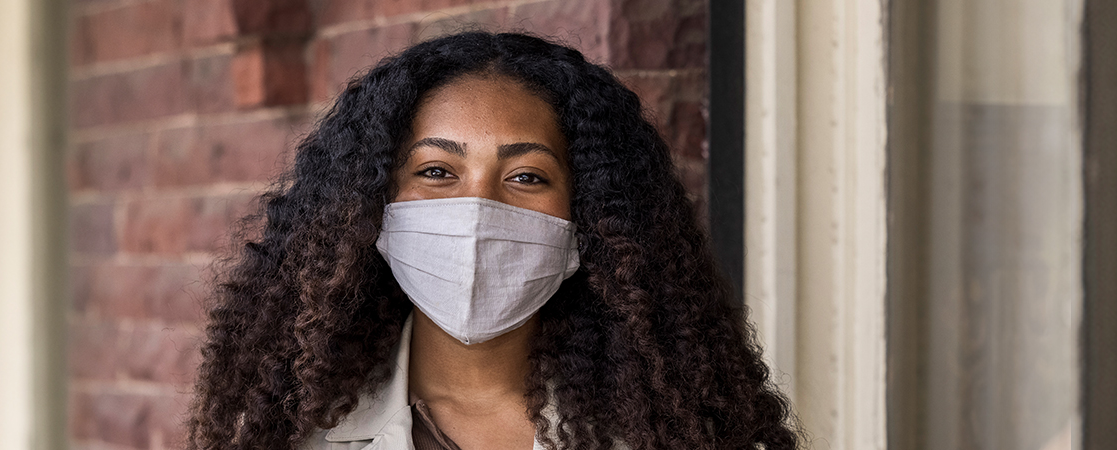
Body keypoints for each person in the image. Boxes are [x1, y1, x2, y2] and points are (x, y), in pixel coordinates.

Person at [187, 31, 799, 450]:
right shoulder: (287, 433)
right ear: (372, 209)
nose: (477, 210)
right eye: (436, 172)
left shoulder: (679, 432)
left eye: (527, 177)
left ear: (591, 218)